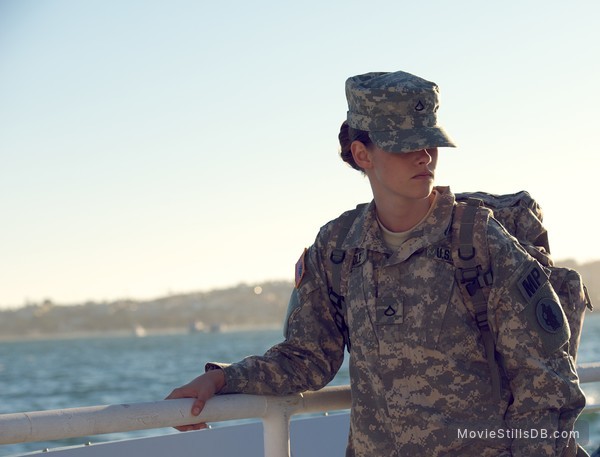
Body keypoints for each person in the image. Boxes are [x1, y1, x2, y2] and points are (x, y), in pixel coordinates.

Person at [167, 71, 586, 456]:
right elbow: (307, 357)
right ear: (361, 153)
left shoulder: (479, 240)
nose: (424, 155)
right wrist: (222, 380)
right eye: (405, 144)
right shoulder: (338, 247)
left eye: (430, 140)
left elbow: (546, 382)